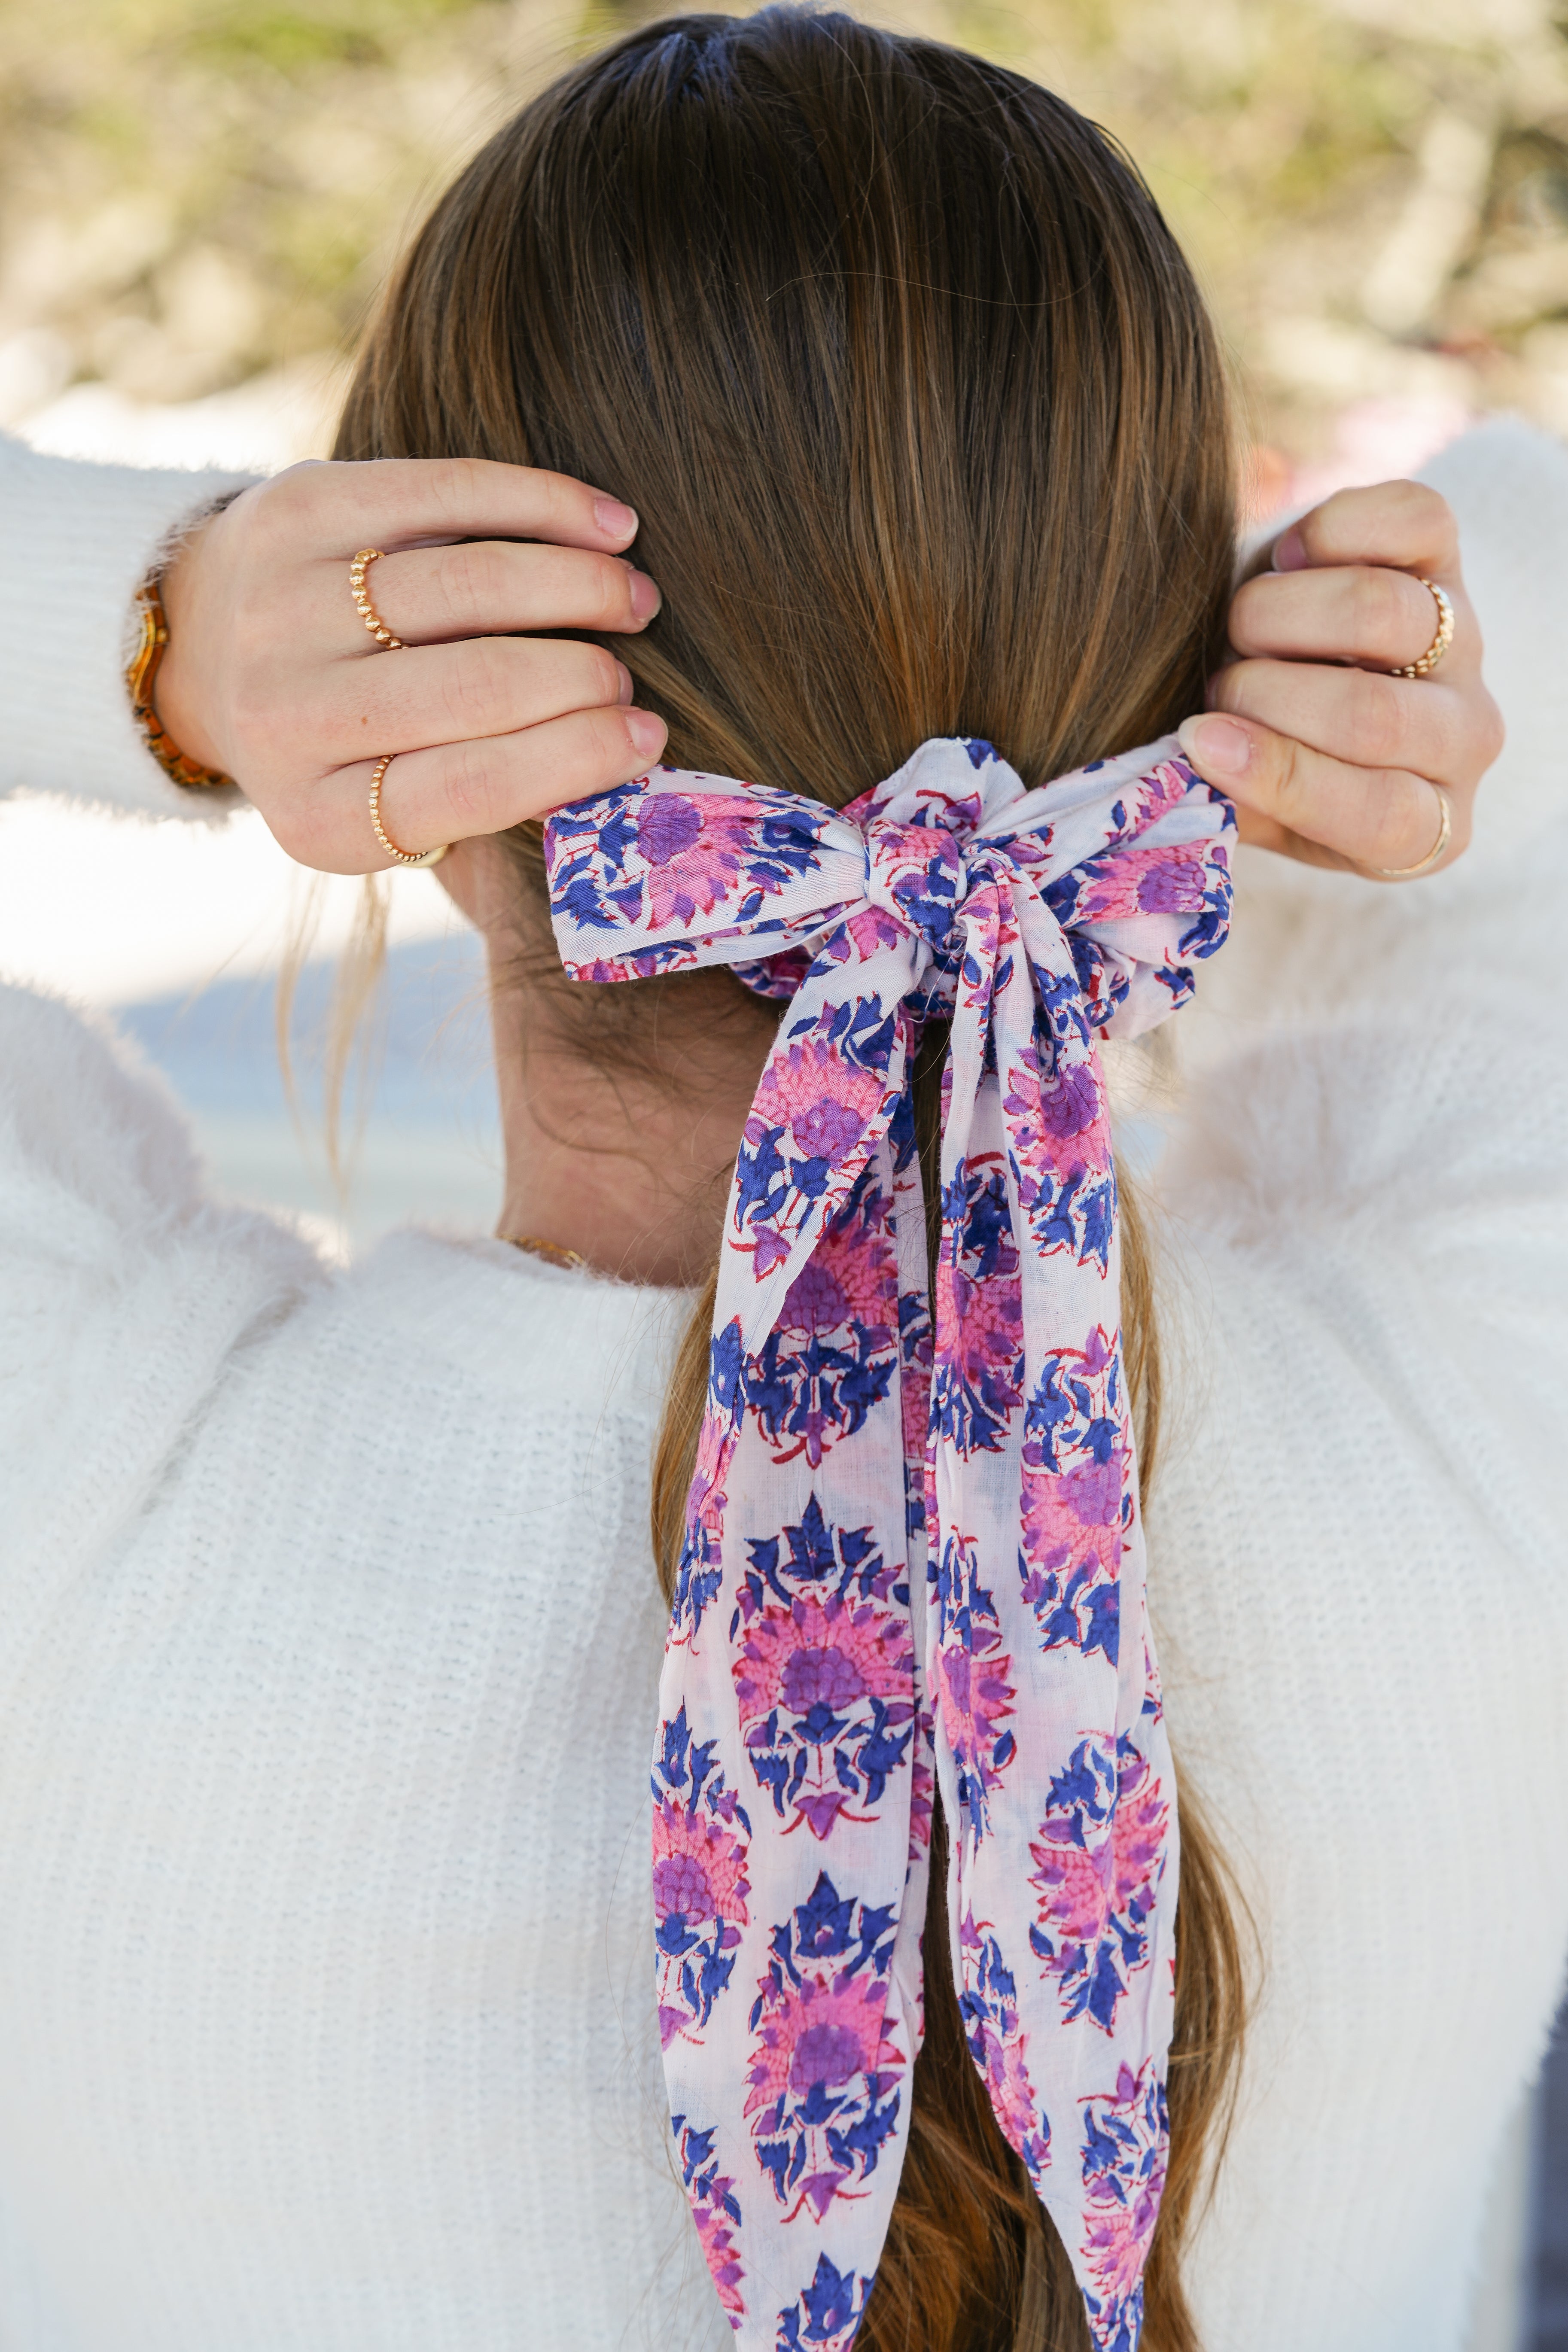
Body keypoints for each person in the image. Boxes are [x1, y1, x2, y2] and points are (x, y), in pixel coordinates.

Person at [0, 12, 1558, 2352]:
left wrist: (155, 631)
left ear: (413, 753)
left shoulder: (72, 1482)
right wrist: (1385, 657)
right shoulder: (1478, 1394)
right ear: (1173, 681)